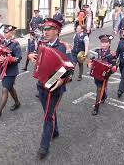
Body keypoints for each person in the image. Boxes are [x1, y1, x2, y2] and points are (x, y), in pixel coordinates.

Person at [27, 18, 73, 159]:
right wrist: (30, 56)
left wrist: (60, 79)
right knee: (49, 112)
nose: (45, 32)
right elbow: (35, 56)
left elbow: (70, 66)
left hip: (54, 88)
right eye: (44, 29)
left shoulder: (64, 47)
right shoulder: (42, 44)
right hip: (41, 85)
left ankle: (44, 146)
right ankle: (55, 131)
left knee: (48, 116)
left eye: (48, 29)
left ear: (56, 31)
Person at [0, 25, 22, 118]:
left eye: (7, 32)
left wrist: (8, 59)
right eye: (4, 32)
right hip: (3, 70)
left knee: (5, 89)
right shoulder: (2, 42)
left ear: (12, 33)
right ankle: (17, 102)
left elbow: (18, 58)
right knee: (10, 88)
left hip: (11, 71)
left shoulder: (15, 44)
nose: (5, 34)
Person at [88, 35, 117, 115]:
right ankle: (103, 96)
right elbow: (91, 60)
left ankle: (96, 108)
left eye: (106, 43)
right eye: (102, 42)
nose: (103, 44)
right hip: (96, 74)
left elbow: (114, 66)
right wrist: (89, 64)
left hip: (105, 75)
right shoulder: (96, 51)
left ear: (109, 44)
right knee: (100, 88)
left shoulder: (112, 54)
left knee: (99, 89)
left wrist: (111, 69)